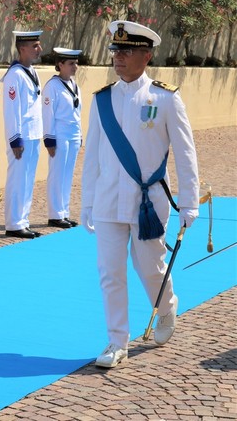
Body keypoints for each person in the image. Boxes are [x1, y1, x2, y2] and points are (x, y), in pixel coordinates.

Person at [81, 20, 199, 368]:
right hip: (107, 201)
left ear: (146, 56)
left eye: (127, 51)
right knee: (109, 272)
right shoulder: (102, 100)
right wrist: (87, 201)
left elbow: (185, 152)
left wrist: (189, 201)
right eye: (116, 50)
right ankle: (117, 341)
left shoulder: (165, 98)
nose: (118, 57)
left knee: (149, 267)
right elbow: (92, 156)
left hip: (148, 202)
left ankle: (166, 305)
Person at [1, 30, 44, 239]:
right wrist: (15, 137)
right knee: (18, 179)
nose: (39, 49)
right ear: (22, 48)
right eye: (35, 45)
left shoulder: (31, 71)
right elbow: (12, 109)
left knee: (27, 180)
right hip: (22, 136)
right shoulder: (14, 75)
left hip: (33, 134)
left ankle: (22, 220)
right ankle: (14, 223)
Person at [42, 47, 83, 229]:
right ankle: (55, 214)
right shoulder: (53, 86)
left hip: (73, 134)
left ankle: (64, 212)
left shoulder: (74, 84)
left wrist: (79, 134)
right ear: (60, 65)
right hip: (59, 134)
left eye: (76, 63)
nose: (75, 66)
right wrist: (49, 138)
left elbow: (78, 112)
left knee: (67, 174)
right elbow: (48, 113)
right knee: (57, 174)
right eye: (71, 63)